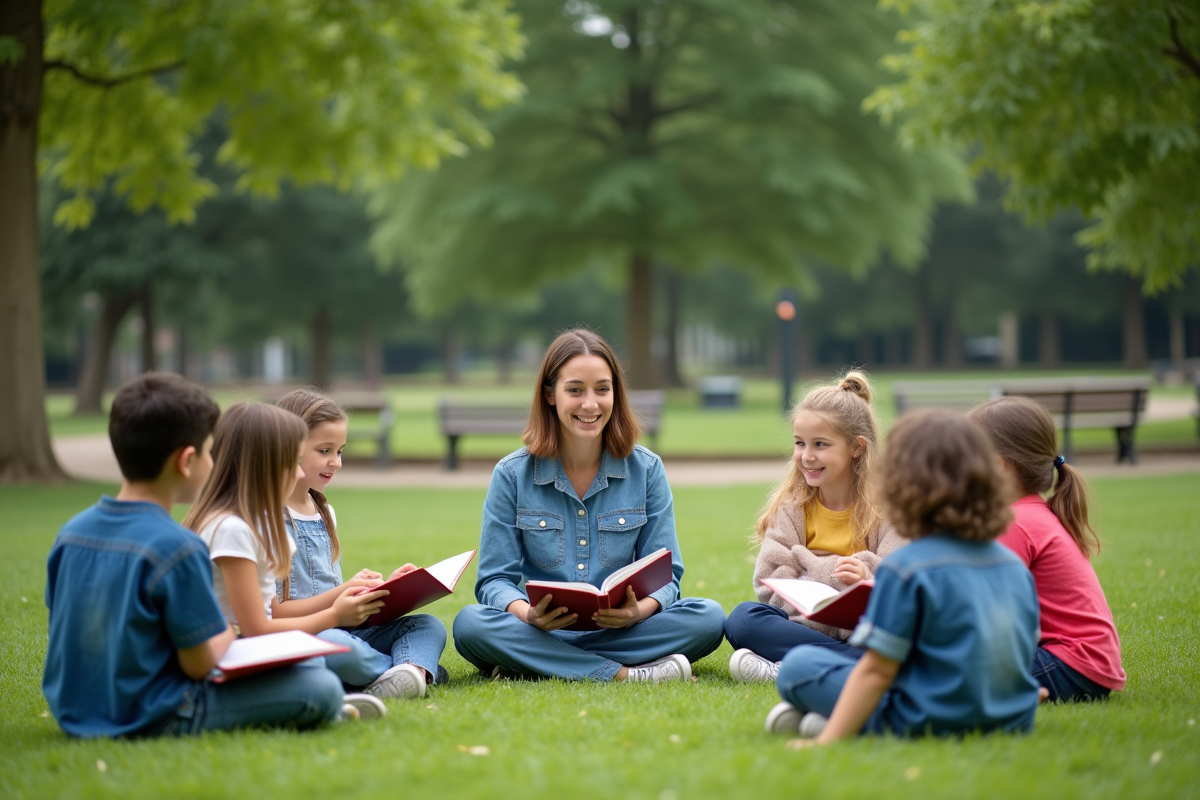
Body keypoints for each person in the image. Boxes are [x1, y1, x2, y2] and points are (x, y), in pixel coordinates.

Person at [43, 373, 344, 737]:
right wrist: (227, 631)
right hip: (155, 711)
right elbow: (199, 663)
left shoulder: (70, 533)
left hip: (74, 709)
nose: (214, 464)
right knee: (321, 687)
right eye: (209, 452)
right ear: (187, 460)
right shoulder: (177, 547)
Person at [452, 329, 726, 682]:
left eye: (602, 389)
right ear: (550, 394)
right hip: (540, 632)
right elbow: (494, 580)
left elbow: (667, 577)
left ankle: (542, 662)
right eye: (575, 390)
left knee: (708, 616)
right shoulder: (511, 474)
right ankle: (623, 674)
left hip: (624, 632)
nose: (590, 404)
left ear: (615, 393)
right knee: (470, 625)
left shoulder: (647, 469)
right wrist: (527, 615)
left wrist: (636, 613)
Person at [765, 410, 1041, 744]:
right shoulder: (1013, 565)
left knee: (798, 666)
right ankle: (831, 718)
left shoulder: (906, 569)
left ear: (901, 488)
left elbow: (876, 672)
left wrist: (827, 741)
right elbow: (1021, 653)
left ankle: (839, 723)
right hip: (1011, 716)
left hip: (928, 715)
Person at [183, 401, 390, 719]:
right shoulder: (231, 529)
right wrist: (334, 615)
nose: (298, 473)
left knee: (322, 661)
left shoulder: (247, 524)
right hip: (237, 653)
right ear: (261, 465)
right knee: (325, 660)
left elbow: (265, 616)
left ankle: (354, 687)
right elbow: (255, 628)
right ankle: (365, 685)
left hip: (255, 646)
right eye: (291, 462)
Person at [724, 371, 904, 683]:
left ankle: (795, 664)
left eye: (820, 444)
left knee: (901, 636)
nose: (807, 456)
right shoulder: (792, 506)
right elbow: (769, 579)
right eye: (800, 443)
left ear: (857, 447)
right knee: (743, 619)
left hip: (865, 629)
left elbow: (900, 581)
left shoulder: (887, 509)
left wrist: (865, 577)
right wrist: (820, 592)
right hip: (802, 625)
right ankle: (850, 666)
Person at [275, 388, 448, 699]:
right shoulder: (268, 520)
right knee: (337, 648)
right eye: (324, 451)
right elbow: (274, 613)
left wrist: (381, 592)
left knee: (428, 626)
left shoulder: (324, 511)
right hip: (306, 636)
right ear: (288, 447)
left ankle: (394, 674)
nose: (336, 462)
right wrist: (342, 597)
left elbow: (334, 597)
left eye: (340, 451)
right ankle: (411, 670)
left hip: (344, 629)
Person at [968, 395, 1126, 701]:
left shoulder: (1015, 523)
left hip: (1068, 664)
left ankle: (1020, 693)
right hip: (1085, 664)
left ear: (999, 467)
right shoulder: (1036, 513)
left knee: (942, 668)